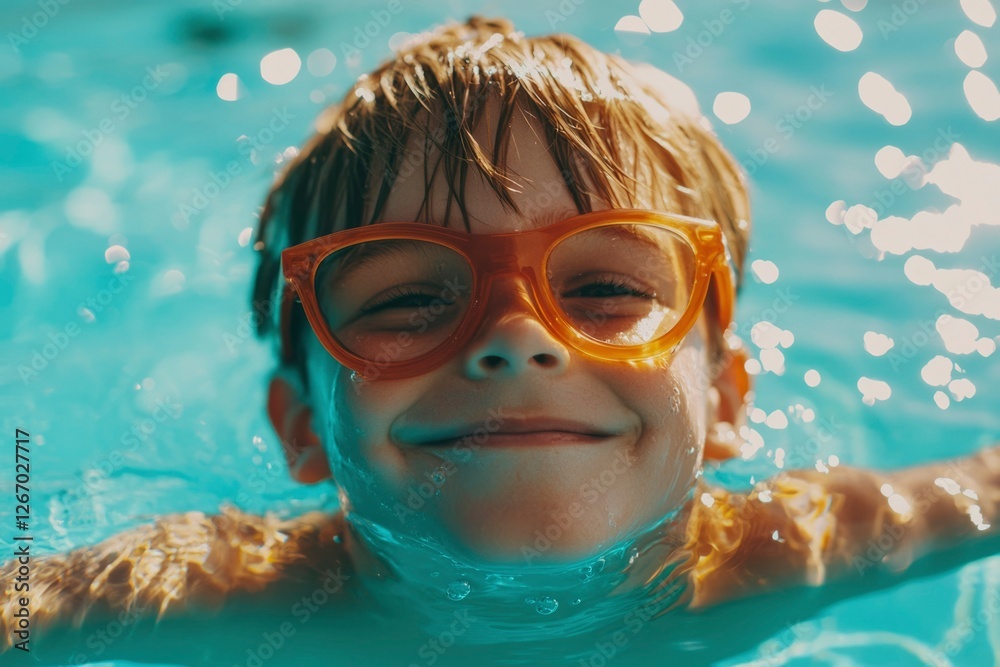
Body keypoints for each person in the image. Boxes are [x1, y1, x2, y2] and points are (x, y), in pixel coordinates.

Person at [3, 15, 998, 666]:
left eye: (606, 287)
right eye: (407, 300)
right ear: (302, 424)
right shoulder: (221, 595)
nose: (516, 339)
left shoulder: (803, 552)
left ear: (728, 399)